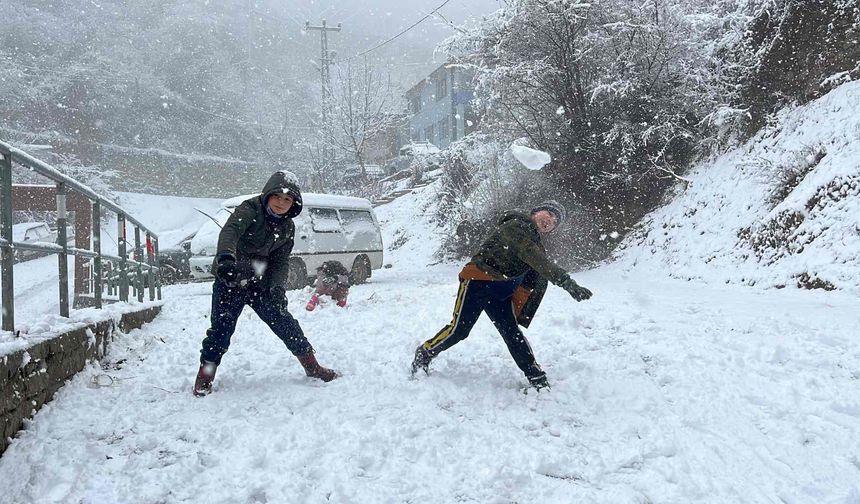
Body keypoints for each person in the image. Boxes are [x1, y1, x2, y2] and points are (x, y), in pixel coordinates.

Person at [411, 200, 593, 390]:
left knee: (512, 332)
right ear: (536, 212)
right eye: (548, 214)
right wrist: (567, 282)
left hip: (500, 293)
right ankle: (425, 352)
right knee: (459, 330)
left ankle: (535, 375)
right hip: (477, 283)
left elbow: (537, 274)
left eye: (555, 221)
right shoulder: (516, 226)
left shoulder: (535, 243)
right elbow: (535, 258)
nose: (550, 220)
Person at [193, 171, 339, 397]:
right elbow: (230, 232)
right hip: (230, 280)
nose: (281, 203)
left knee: (286, 324)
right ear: (268, 195)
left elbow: (280, 262)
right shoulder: (249, 209)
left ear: (293, 203)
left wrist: (278, 289)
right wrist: (225, 259)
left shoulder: (287, 227)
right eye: (277, 197)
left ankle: (312, 367)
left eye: (287, 199)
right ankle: (205, 375)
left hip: (259, 283)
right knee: (220, 332)